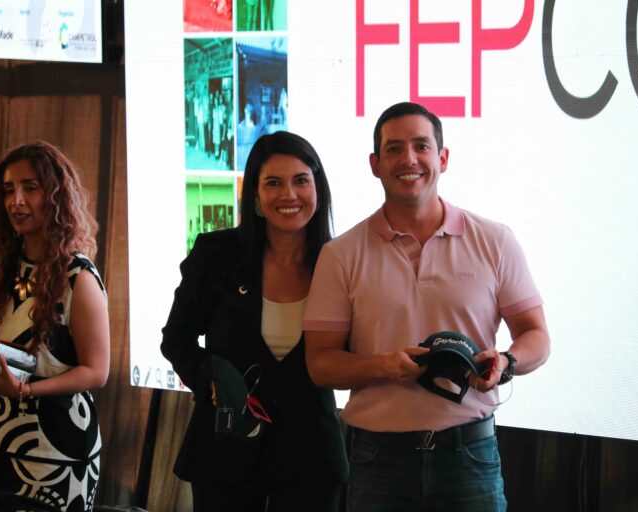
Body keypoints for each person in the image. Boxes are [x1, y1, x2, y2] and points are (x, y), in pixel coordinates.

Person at [303, 102, 551, 511]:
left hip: (469, 455)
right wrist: (383, 366)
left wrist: (507, 362)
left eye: (421, 146)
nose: (409, 159)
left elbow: (537, 335)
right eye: (394, 149)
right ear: (375, 164)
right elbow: (320, 364)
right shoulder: (341, 254)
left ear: (443, 158)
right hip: (377, 460)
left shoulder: (495, 240)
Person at [161, 131, 348, 511]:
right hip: (226, 444)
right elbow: (176, 338)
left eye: (301, 181)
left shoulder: (342, 262)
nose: (289, 195)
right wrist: (211, 376)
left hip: (311, 456)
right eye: (273, 183)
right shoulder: (216, 254)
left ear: (318, 188)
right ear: (256, 196)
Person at [0, 141, 110, 511]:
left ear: (57, 197)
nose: (16, 201)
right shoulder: (6, 269)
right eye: (8, 190)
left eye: (30, 188)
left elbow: (96, 371)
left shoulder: (78, 277)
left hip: (55, 453)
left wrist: (25, 391)